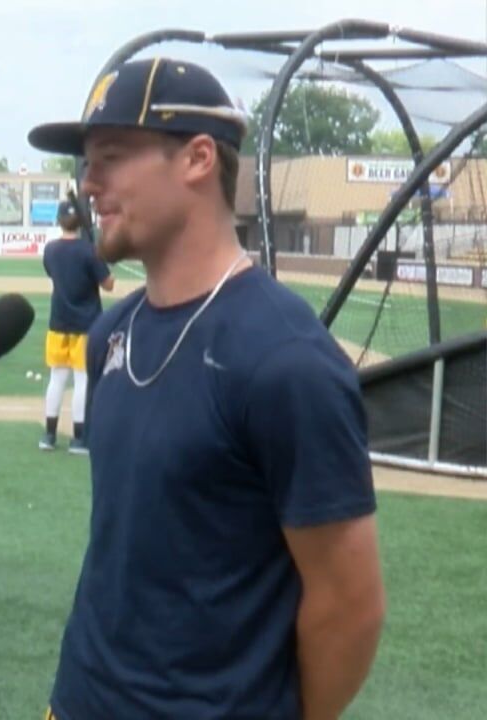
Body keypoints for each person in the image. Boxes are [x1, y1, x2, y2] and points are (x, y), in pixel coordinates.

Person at [27, 58, 385, 719]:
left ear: (196, 159)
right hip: (78, 701)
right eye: (85, 163)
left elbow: (351, 606)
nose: (88, 183)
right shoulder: (111, 334)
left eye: (110, 157)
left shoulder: (285, 359)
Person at [39, 200, 113, 453]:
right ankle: (79, 438)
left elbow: (52, 273)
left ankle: (49, 435)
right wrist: (99, 255)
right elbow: (109, 284)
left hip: (58, 322)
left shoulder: (51, 250)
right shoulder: (89, 251)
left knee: (57, 379)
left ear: (59, 221)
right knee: (82, 381)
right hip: (87, 324)